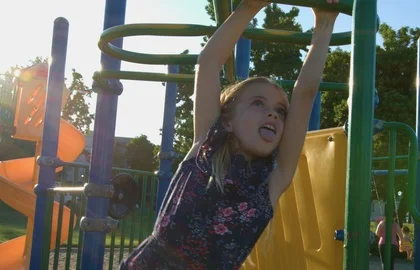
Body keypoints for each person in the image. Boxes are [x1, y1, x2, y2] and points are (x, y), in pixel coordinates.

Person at [120, 0, 339, 269]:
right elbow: (209, 63)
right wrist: (248, 8)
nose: (272, 114)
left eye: (280, 112)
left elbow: (305, 95)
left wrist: (325, 24)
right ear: (228, 119)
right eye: (258, 103)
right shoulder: (205, 149)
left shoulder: (271, 180)